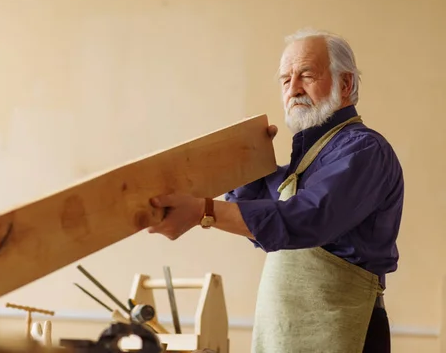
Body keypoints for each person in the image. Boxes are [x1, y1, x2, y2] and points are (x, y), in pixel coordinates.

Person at [147, 28, 404, 353]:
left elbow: (307, 219)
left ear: (345, 84)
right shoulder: (300, 167)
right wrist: (247, 161)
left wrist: (202, 211)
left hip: (345, 331)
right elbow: (259, 223)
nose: (293, 89)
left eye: (306, 75)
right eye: (286, 80)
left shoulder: (364, 150)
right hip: (284, 335)